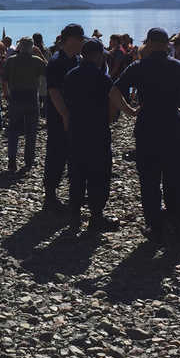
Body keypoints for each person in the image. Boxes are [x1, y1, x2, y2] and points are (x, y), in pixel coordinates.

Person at [111, 27, 180, 242]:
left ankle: (155, 226)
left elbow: (114, 92)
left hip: (147, 128)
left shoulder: (138, 67)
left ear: (148, 43)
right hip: (173, 127)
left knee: (150, 180)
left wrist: (130, 111)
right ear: (167, 44)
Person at [62, 38, 120, 235]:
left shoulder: (71, 75)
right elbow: (112, 105)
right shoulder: (102, 78)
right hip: (97, 132)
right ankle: (96, 216)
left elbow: (66, 101)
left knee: (76, 174)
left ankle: (74, 216)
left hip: (76, 130)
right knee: (99, 174)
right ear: (97, 55)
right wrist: (109, 119)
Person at [44, 24, 85, 212]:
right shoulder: (56, 61)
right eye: (79, 39)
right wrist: (65, 115)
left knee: (75, 155)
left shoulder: (78, 60)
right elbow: (53, 92)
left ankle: (74, 194)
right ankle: (50, 194)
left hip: (76, 115)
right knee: (56, 154)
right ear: (68, 39)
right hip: (58, 117)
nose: (81, 42)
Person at [3, 37, 46, 173]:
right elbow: (49, 70)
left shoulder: (11, 60)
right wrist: (40, 54)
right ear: (32, 47)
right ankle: (28, 162)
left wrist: (6, 94)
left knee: (13, 131)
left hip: (15, 96)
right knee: (31, 132)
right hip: (31, 96)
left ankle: (12, 161)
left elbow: (4, 79)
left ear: (20, 47)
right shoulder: (37, 61)